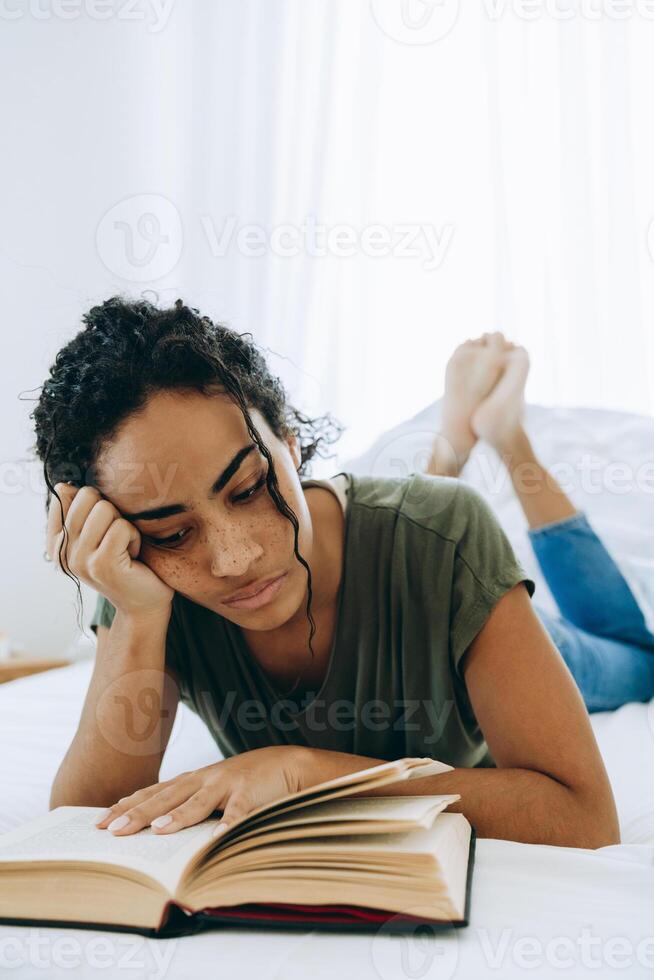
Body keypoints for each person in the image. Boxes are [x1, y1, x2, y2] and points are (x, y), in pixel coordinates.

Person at [33, 297, 619, 849]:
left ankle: (505, 438)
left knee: (629, 651)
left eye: (249, 489)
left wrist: (308, 773)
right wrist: (137, 617)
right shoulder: (144, 583)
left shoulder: (447, 534)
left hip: (506, 614)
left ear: (290, 447)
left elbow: (585, 816)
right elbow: (84, 826)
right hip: (427, 562)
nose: (236, 560)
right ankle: (448, 454)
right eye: (172, 534)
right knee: (429, 514)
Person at [427, 332, 654, 712]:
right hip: (500, 643)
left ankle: (469, 446)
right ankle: (502, 439)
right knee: (642, 662)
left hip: (448, 623)